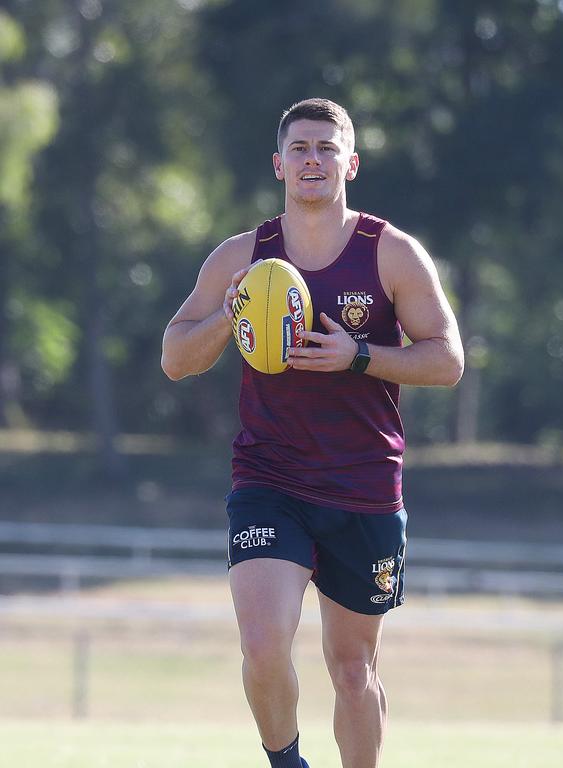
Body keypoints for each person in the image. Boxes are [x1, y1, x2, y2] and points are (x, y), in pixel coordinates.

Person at [161, 98, 464, 768]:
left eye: (327, 148)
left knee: (353, 668)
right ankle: (287, 762)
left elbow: (447, 359)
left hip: (364, 487)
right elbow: (175, 356)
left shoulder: (391, 253)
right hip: (271, 481)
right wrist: (230, 316)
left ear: (350, 163)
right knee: (264, 644)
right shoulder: (244, 255)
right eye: (299, 148)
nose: (312, 160)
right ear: (278, 165)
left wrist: (356, 355)